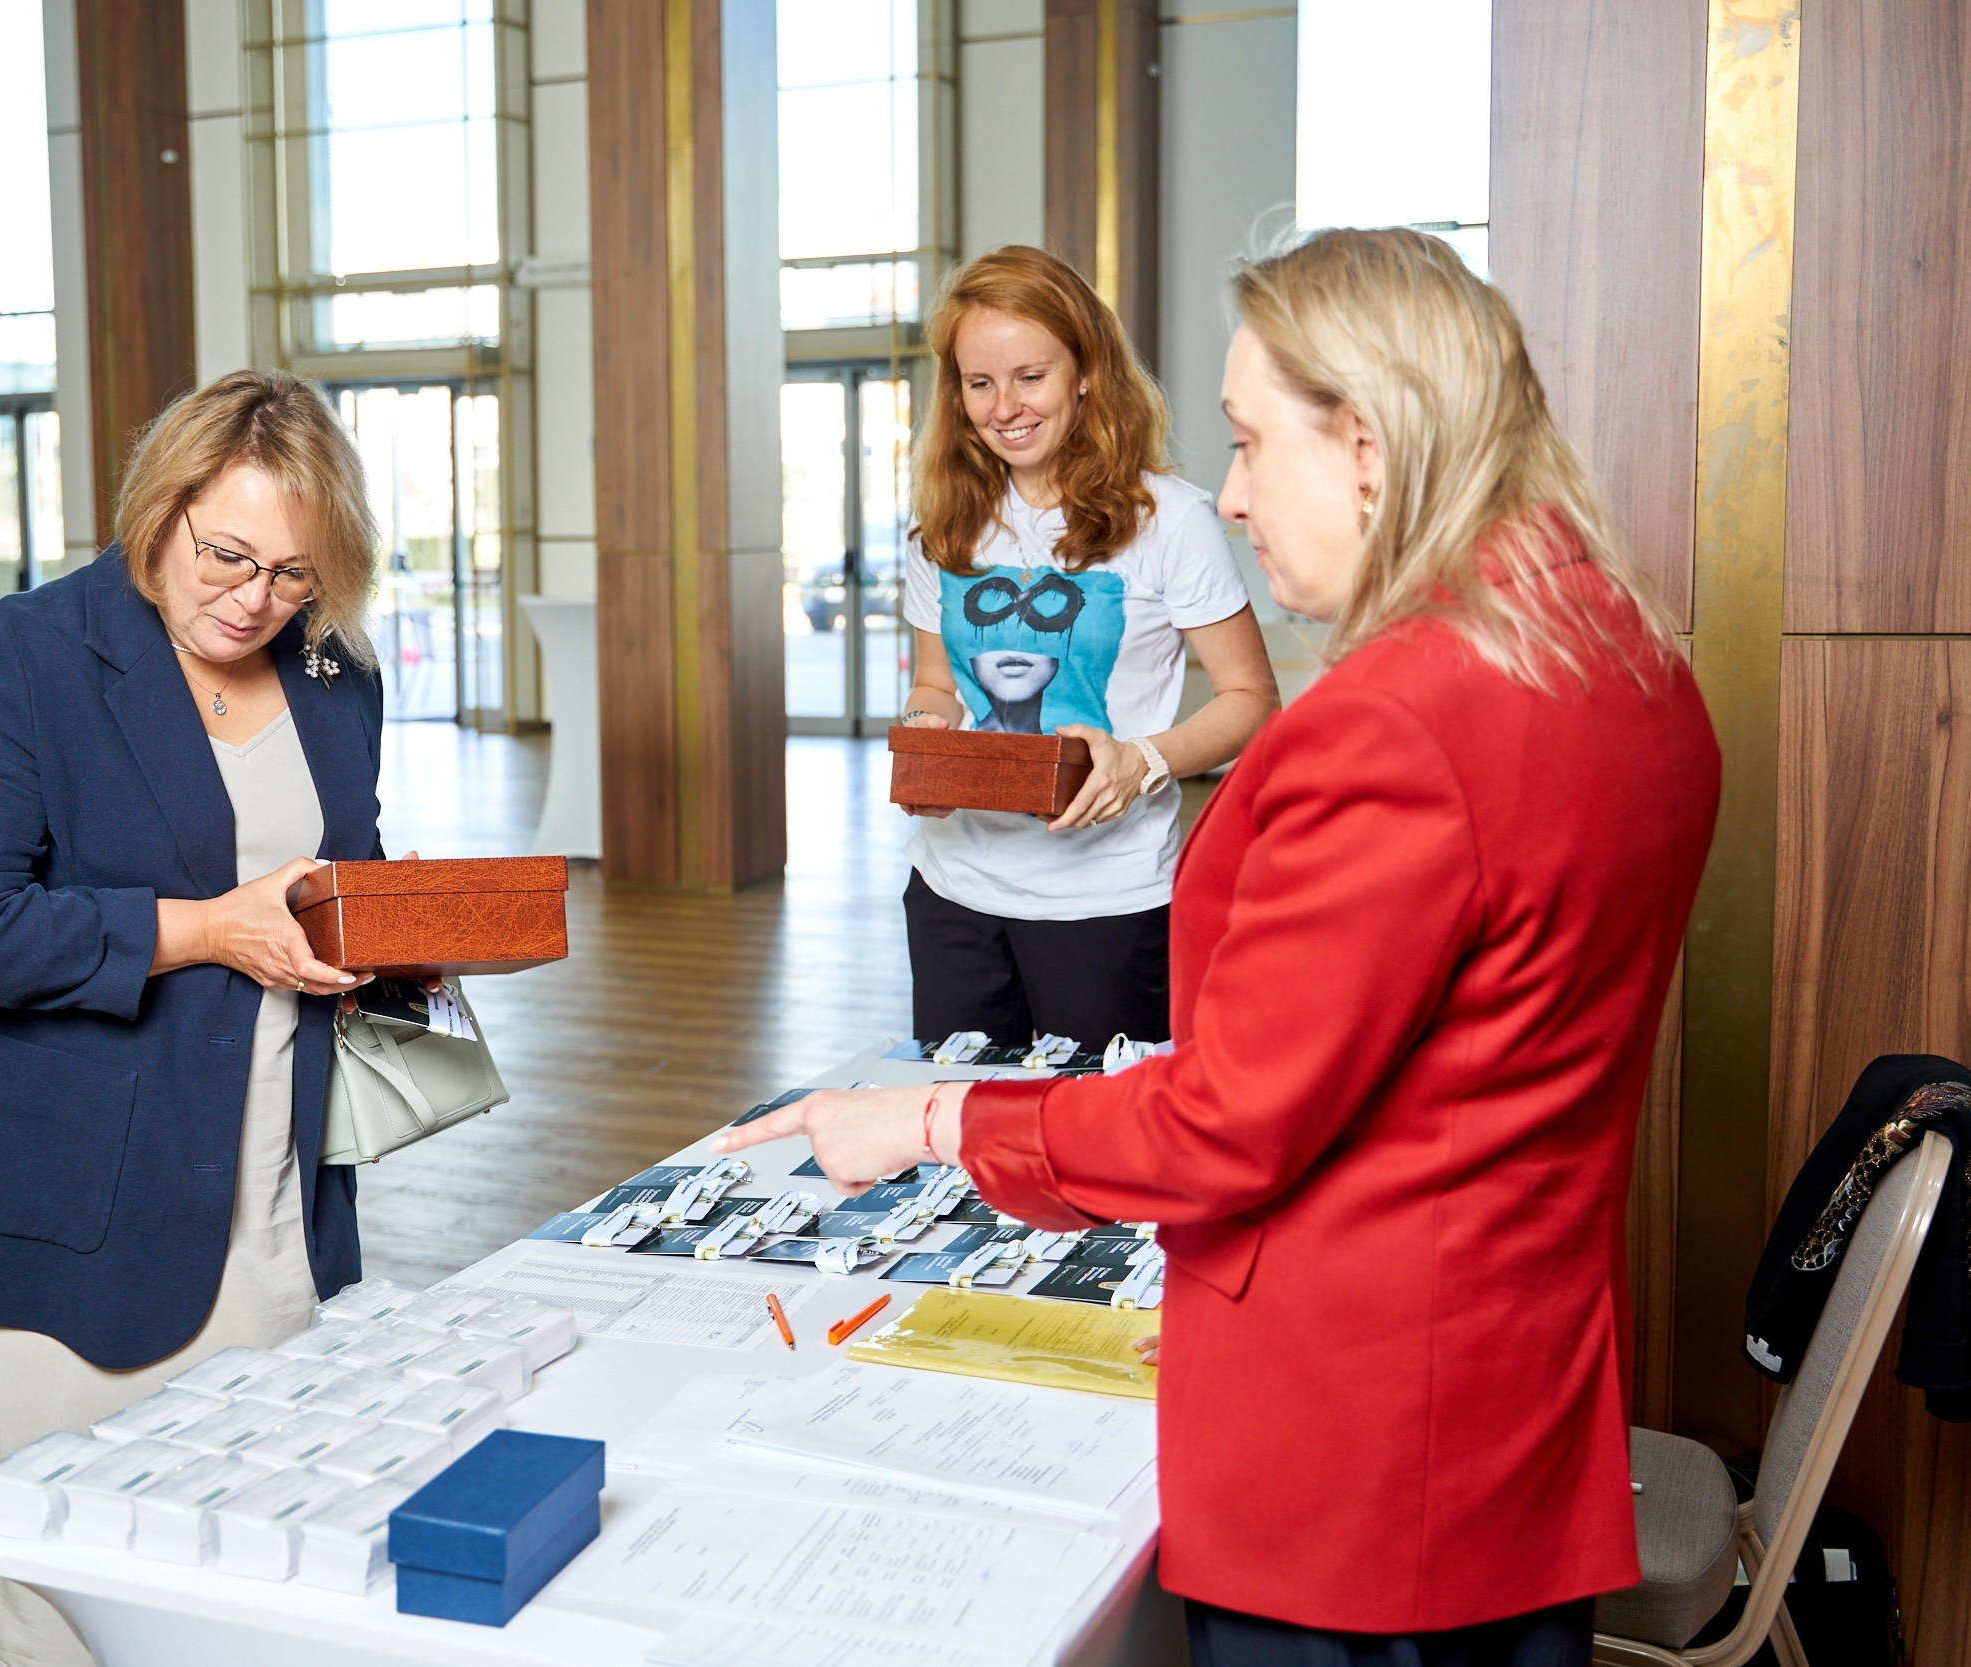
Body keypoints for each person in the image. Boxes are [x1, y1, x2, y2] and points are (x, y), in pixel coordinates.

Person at [721, 228, 1722, 1666]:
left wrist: (933, 1115)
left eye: (1255, 441)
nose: (1237, 492)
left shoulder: (1399, 721)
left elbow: (1228, 1120)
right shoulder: (1618, 650)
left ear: (1367, 443)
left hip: (1352, 1454)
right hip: (1512, 1403)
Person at [0, 370, 389, 1667]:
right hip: (68, 1192)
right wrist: (209, 926)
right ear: (160, 508)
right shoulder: (25, 655)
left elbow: (334, 860)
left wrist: (391, 936)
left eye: (292, 573)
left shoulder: (332, 667)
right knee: (76, 1597)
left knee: (253, 1550)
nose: (254, 598)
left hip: (267, 1170)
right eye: (226, 554)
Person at [898, 245, 1278, 1053]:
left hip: (1106, 902)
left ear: (1084, 372)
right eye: (979, 383)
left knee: (1107, 1152)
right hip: (952, 890)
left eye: (1029, 376)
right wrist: (926, 738)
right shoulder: (942, 523)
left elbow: (1250, 699)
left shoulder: (1171, 519)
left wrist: (1141, 760)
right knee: (958, 1148)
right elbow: (936, 683)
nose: (1005, 406)